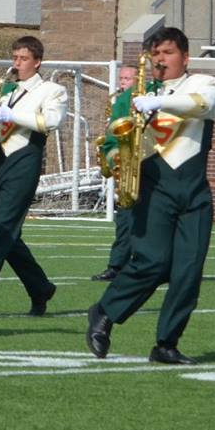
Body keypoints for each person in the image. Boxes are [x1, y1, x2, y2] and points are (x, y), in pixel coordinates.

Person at [86, 27, 215, 365]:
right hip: (153, 187)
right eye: (155, 54)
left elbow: (204, 105)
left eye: (168, 53)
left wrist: (159, 101)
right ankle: (105, 312)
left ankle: (166, 343)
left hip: (193, 189)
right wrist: (118, 158)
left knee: (188, 270)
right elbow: (112, 142)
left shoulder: (201, 83)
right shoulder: (132, 95)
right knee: (153, 263)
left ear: (185, 57)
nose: (161, 60)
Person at [0, 35, 63, 318]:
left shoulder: (51, 90)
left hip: (25, 159)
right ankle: (39, 287)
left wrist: (12, 116)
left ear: (37, 62)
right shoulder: (6, 89)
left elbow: (52, 122)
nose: (17, 64)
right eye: (15, 58)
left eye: (23, 59)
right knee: (4, 232)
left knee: (1, 230)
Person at [92, 63, 139, 282]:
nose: (123, 82)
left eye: (127, 78)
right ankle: (117, 265)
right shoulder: (121, 101)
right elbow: (112, 136)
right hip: (128, 168)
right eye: (121, 79)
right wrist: (113, 159)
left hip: (149, 165)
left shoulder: (152, 95)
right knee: (125, 219)